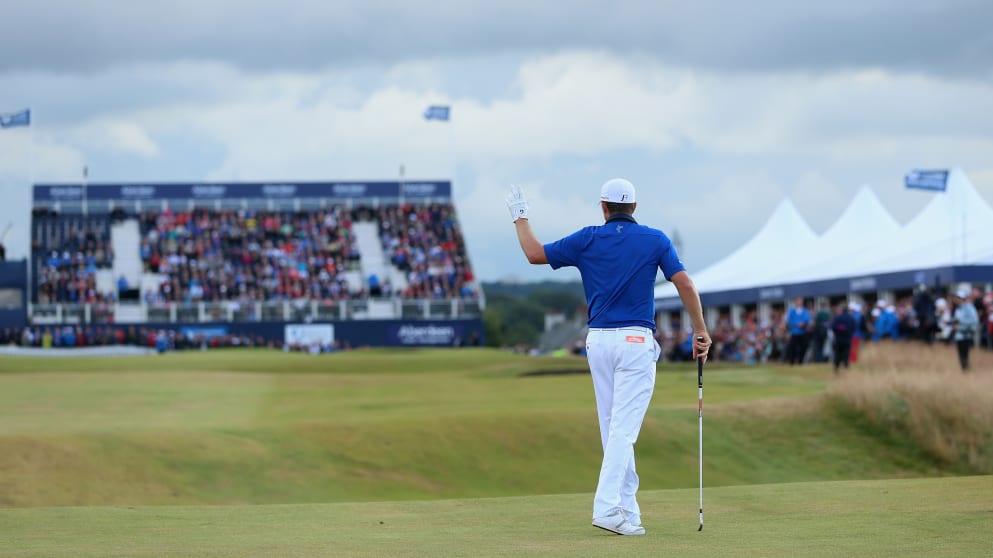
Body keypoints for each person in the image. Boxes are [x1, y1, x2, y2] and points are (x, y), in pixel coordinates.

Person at [506, 179, 711, 537]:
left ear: (603, 207)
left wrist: (520, 216)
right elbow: (685, 284)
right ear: (634, 207)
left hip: (597, 342)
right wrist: (700, 330)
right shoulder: (655, 239)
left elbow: (534, 254)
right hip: (634, 341)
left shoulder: (588, 238)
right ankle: (605, 509)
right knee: (622, 430)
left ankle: (626, 511)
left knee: (613, 429)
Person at [951, 288, 979, 372]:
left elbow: (974, 320)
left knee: (965, 354)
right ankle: (964, 370)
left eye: (959, 298)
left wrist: (961, 323)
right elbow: (956, 320)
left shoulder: (969, 308)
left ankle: (967, 370)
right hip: (958, 335)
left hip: (966, 335)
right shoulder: (958, 308)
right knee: (960, 355)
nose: (957, 300)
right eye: (957, 298)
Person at [829, 303, 856, 375]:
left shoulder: (838, 318)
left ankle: (836, 370)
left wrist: (838, 333)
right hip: (847, 340)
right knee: (846, 355)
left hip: (839, 340)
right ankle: (846, 369)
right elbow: (854, 328)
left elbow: (833, 327)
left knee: (837, 355)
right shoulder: (851, 318)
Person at [785, 297, 810, 365]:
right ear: (795, 302)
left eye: (801, 301)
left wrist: (803, 323)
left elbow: (807, 319)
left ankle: (800, 361)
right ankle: (792, 361)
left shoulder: (805, 311)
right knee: (792, 347)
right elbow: (789, 320)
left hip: (803, 332)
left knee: (803, 347)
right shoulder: (792, 311)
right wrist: (797, 324)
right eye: (798, 301)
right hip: (794, 332)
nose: (800, 302)